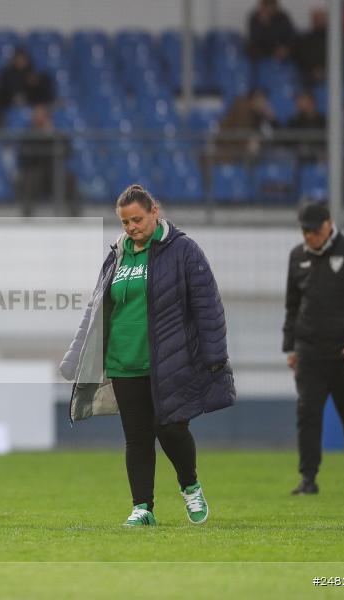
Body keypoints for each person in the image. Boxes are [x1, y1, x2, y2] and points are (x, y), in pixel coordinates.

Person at [59, 185, 235, 527]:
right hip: (123, 362)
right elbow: (96, 310)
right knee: (137, 438)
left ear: (155, 211)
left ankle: (190, 485)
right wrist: (76, 357)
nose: (131, 228)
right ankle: (143, 507)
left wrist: (215, 354)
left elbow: (207, 305)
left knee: (170, 428)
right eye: (125, 222)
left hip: (168, 360)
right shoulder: (116, 256)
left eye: (137, 219)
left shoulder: (183, 251)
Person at [283, 203, 344, 496]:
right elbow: (292, 306)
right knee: (308, 414)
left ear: (329, 224)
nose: (309, 237)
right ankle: (308, 479)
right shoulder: (297, 257)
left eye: (314, 231)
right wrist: (291, 346)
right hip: (309, 352)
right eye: (305, 232)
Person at [15, 104, 78, 217]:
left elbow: (67, 151)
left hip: (52, 169)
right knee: (29, 179)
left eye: (42, 116)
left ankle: (73, 210)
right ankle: (27, 211)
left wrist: (50, 134)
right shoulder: (28, 134)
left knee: (68, 178)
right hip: (35, 169)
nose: (39, 118)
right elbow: (23, 155)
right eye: (37, 116)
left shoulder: (55, 132)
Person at [294, 7, 327, 86]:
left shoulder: (334, 40)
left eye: (321, 18)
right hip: (309, 76)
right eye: (316, 18)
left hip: (329, 74)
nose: (318, 21)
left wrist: (324, 71)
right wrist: (312, 71)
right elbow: (300, 58)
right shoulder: (304, 39)